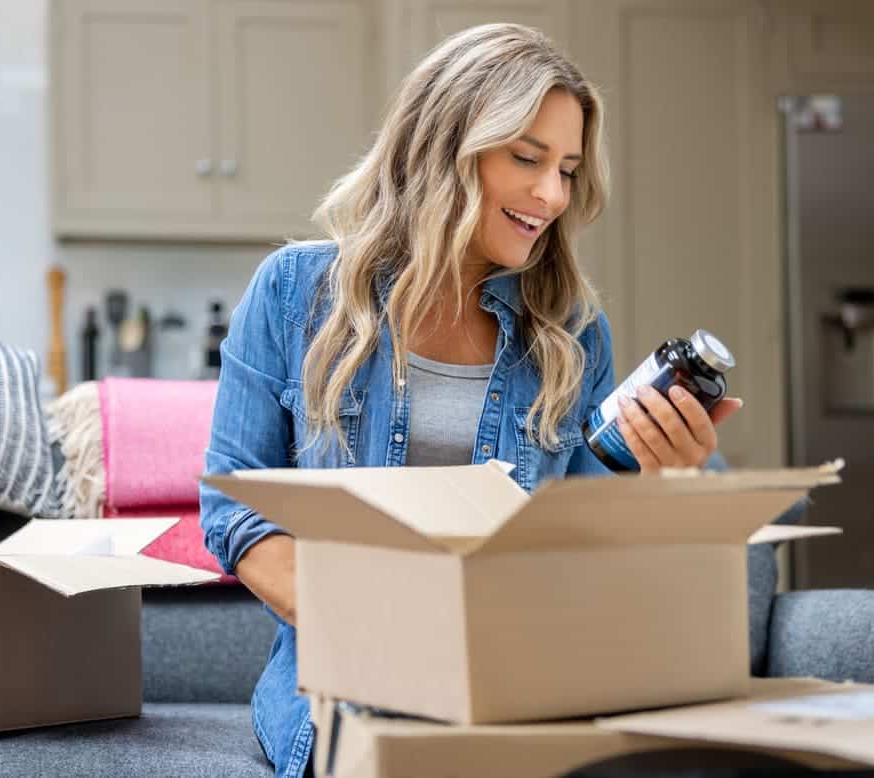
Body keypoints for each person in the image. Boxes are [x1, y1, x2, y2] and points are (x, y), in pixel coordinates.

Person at [199, 22, 742, 778]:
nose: (552, 195)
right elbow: (236, 510)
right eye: (527, 158)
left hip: (525, 680)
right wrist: (382, 640)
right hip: (345, 684)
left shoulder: (574, 332)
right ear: (442, 145)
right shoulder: (296, 293)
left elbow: (580, 540)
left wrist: (666, 486)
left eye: (569, 170)